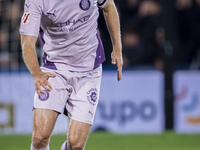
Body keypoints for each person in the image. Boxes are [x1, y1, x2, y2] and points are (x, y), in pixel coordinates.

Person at [19, 0, 123, 150]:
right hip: (55, 69)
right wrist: (36, 73)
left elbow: (108, 7)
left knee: (76, 145)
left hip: (88, 70)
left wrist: (118, 48)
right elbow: (27, 43)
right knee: (39, 137)